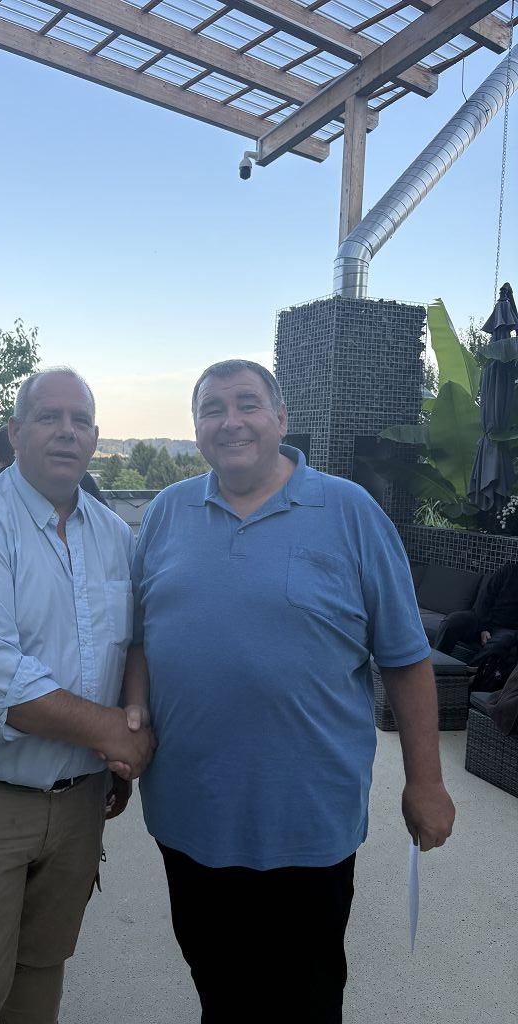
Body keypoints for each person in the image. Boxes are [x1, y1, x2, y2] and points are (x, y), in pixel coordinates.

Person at [116, 360, 455, 1024]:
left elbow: (406, 660)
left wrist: (427, 782)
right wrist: (130, 720)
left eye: (247, 404)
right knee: (217, 984)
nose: (231, 421)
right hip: (190, 810)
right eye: (212, 409)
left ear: (281, 418)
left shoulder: (350, 511)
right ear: (196, 427)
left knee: (306, 996)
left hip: (308, 816)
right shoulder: (165, 513)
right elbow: (139, 639)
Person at [0, 368, 156, 1024]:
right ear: (16, 434)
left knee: (40, 981)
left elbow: (133, 641)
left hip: (77, 807)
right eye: (50, 417)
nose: (67, 432)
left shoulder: (114, 535)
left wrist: (128, 721)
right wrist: (113, 733)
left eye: (81, 421)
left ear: (95, 440)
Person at [434, 561, 518, 664]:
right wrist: (484, 628)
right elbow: (485, 598)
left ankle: (471, 671)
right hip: (481, 618)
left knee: (500, 642)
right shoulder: (508, 570)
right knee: (452, 621)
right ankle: (436, 664)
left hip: (508, 629)